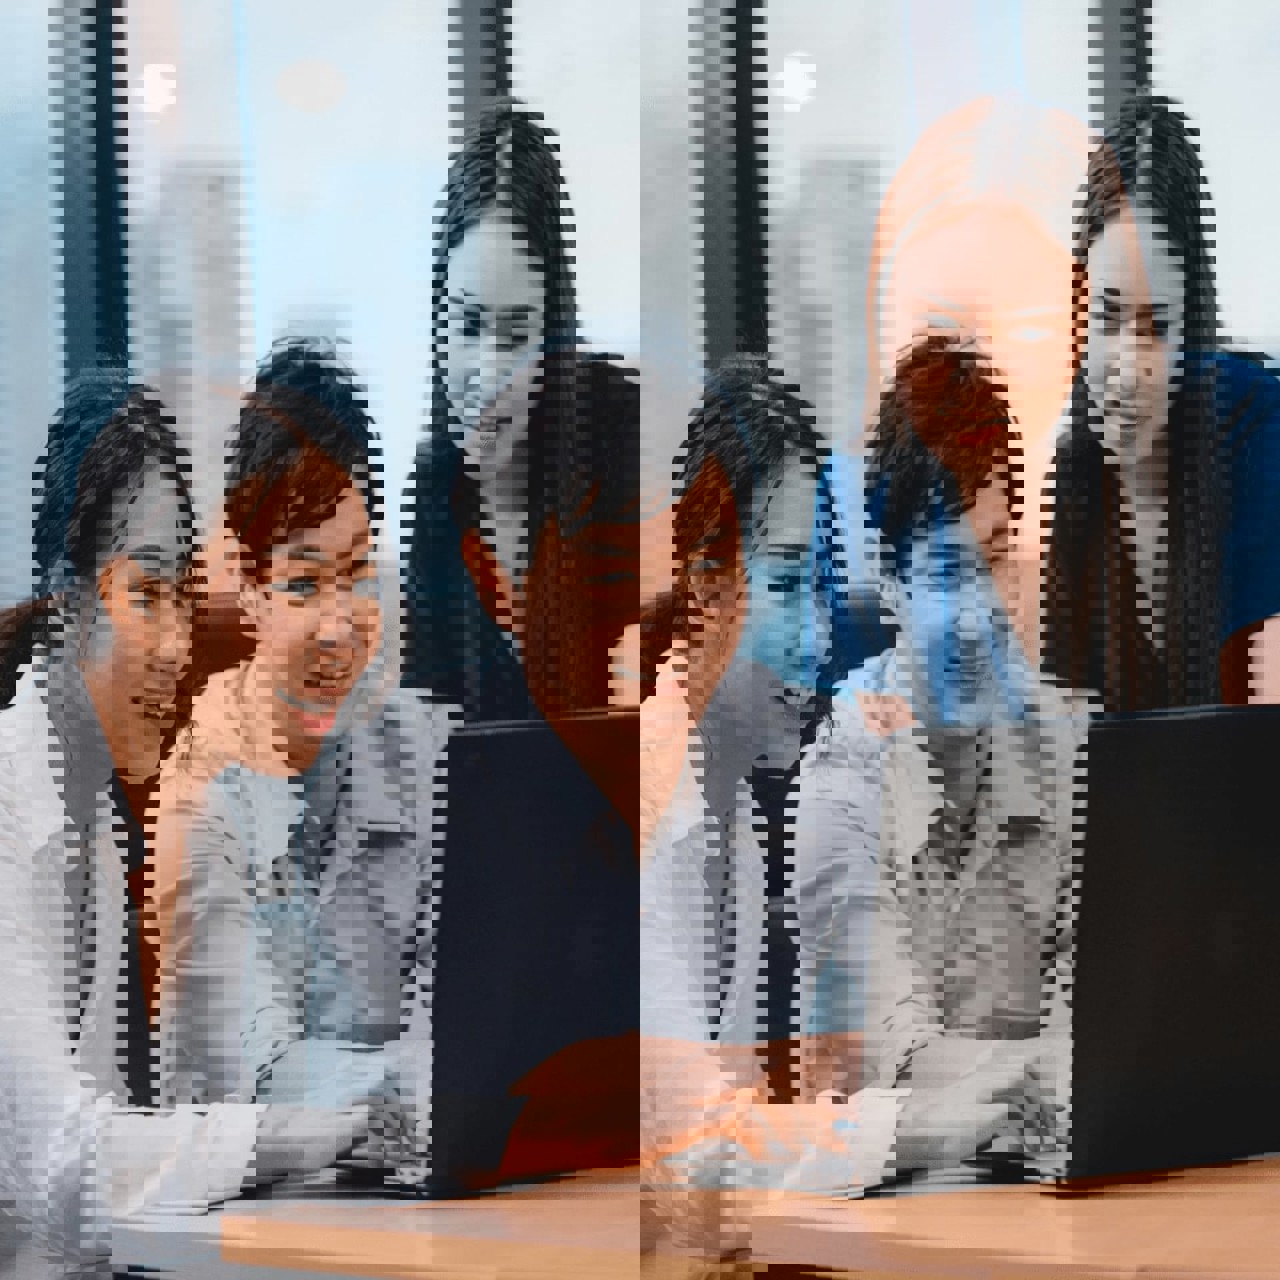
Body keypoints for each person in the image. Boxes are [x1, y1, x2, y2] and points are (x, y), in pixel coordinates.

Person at [0, 373, 364, 1276]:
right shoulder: (12, 814)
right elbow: (68, 1169)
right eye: (146, 596)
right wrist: (290, 1135)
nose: (176, 645)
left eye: (182, 600)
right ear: (64, 595)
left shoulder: (100, 820)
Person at [154, 339, 454, 1179]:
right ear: (245, 590)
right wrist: (421, 1097)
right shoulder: (197, 798)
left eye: (356, 576)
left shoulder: (433, 760)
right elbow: (256, 1077)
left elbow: (476, 1034)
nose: (337, 625)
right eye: (301, 584)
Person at [798, 335, 1089, 1180]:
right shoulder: (841, 783)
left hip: (1059, 1203)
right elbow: (891, 1074)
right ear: (891, 586)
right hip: (900, 1222)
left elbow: (1113, 1032)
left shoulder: (1066, 746)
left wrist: (1060, 1083)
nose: (980, 614)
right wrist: (1048, 1080)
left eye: (995, 558)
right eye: (948, 572)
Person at [402, 98, 640, 725]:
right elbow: (428, 727)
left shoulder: (620, 436)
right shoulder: (435, 487)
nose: (487, 371)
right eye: (468, 324)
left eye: (514, 337)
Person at [1042, 92, 1280, 712]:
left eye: (1156, 328)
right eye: (1109, 317)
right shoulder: (1071, 469)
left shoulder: (1256, 428)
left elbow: (1259, 722)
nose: (1127, 366)